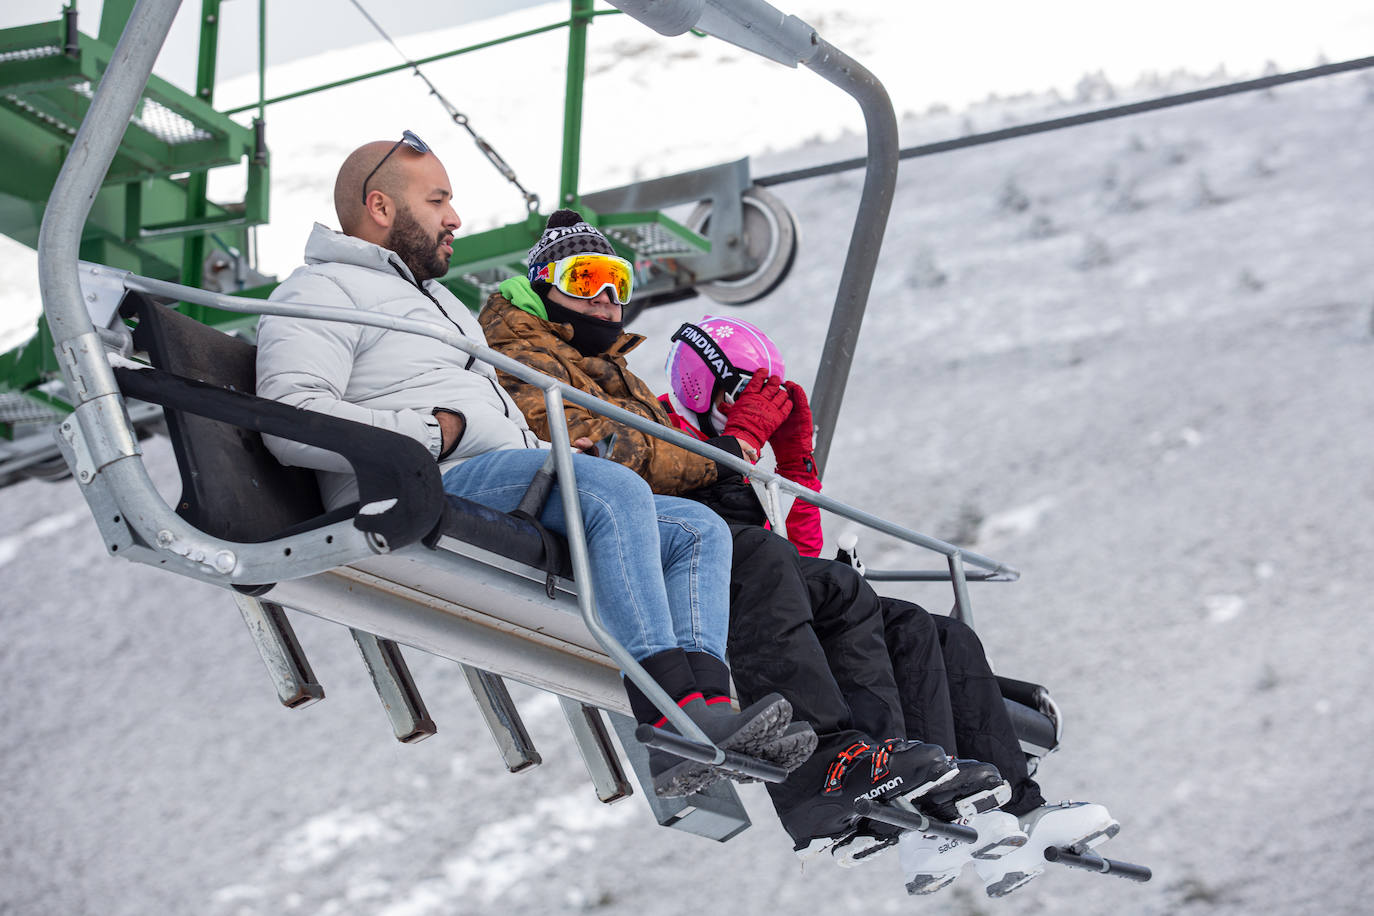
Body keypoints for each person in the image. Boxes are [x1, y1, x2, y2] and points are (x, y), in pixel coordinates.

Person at [252, 134, 806, 799]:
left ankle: (708, 707)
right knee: (607, 487)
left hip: (493, 471)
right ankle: (667, 711)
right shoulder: (321, 290)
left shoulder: (440, 302)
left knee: (696, 529)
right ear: (378, 206)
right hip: (413, 481)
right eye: (437, 200)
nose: (454, 217)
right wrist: (433, 431)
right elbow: (289, 415)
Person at [478, 210, 1011, 870]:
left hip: (672, 520)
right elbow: (619, 451)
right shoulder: (519, 354)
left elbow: (661, 457)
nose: (606, 299)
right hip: (610, 525)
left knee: (849, 594)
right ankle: (824, 767)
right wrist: (729, 448)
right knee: (759, 558)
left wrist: (782, 455)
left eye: (617, 280)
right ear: (540, 284)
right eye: (585, 277)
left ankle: (884, 763)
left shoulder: (611, 369)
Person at [660, 318, 1119, 898]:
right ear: (709, 388)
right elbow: (712, 526)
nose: (759, 407)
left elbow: (798, 552)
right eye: (749, 392)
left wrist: (793, 456)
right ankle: (879, 781)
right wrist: (739, 446)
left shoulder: (739, 445)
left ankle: (1008, 805)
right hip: (701, 573)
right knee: (843, 591)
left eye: (768, 395)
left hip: (762, 572)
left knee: (931, 629)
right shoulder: (659, 431)